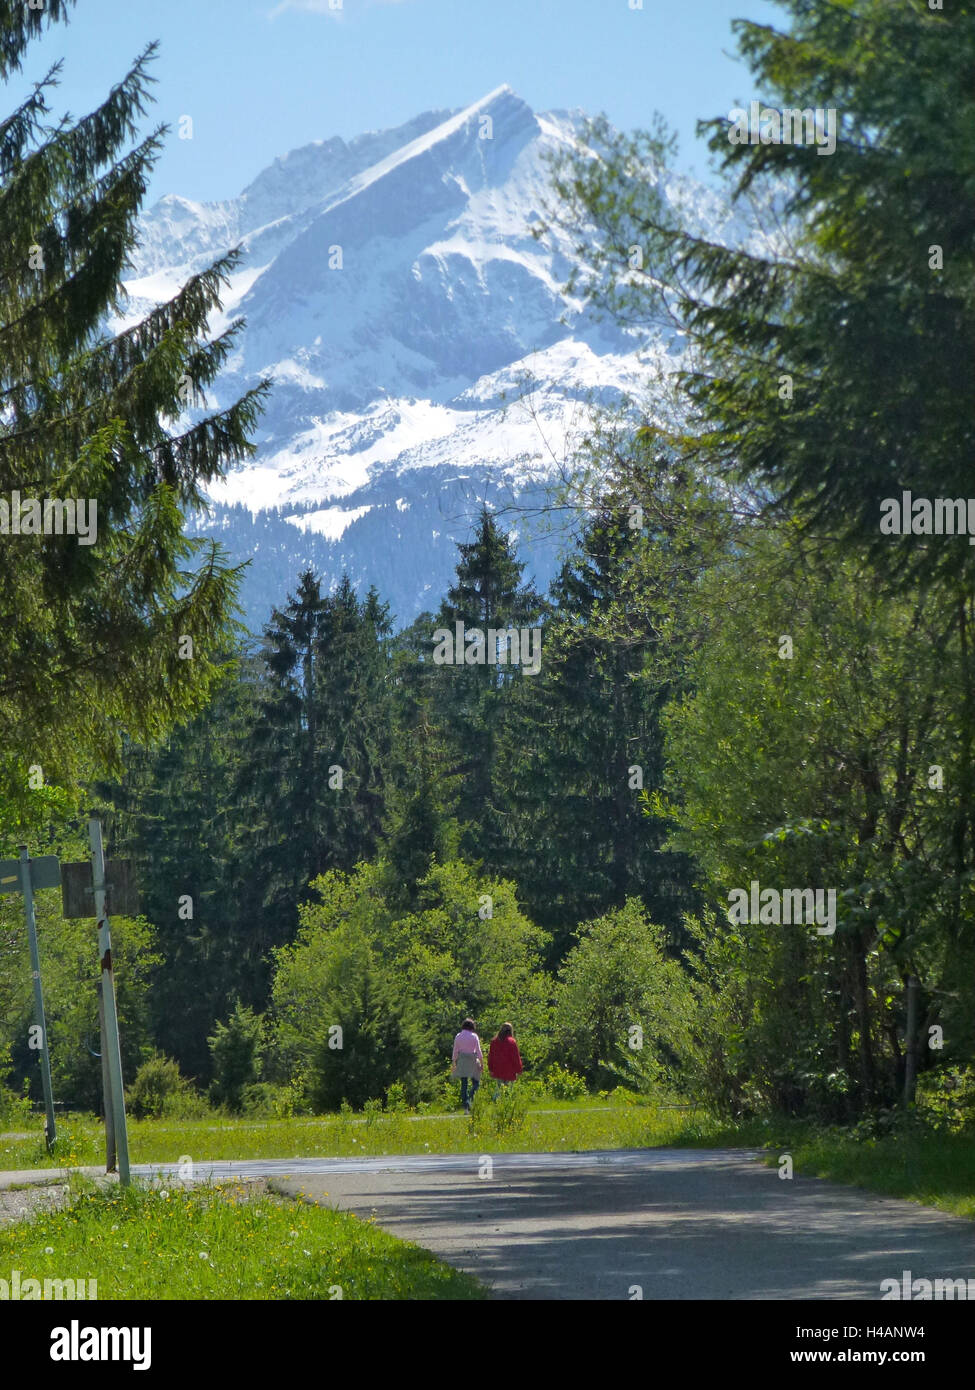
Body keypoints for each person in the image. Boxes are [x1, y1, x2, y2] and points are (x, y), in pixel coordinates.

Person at [451, 1017, 483, 1112]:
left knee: (464, 1084)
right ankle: (471, 1097)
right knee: (476, 1082)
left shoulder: (458, 1036)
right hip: (472, 1059)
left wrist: (454, 1063)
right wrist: (482, 1063)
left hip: (462, 1060)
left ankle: (466, 1105)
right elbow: (478, 1051)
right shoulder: (474, 1036)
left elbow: (455, 1051)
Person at [487, 1022, 523, 1097]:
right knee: (508, 1090)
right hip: (509, 1069)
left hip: (498, 1069)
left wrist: (490, 1069)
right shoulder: (512, 1041)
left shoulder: (494, 1041)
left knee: (499, 1088)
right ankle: (506, 1104)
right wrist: (519, 1069)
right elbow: (515, 1057)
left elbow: (491, 1056)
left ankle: (496, 1102)